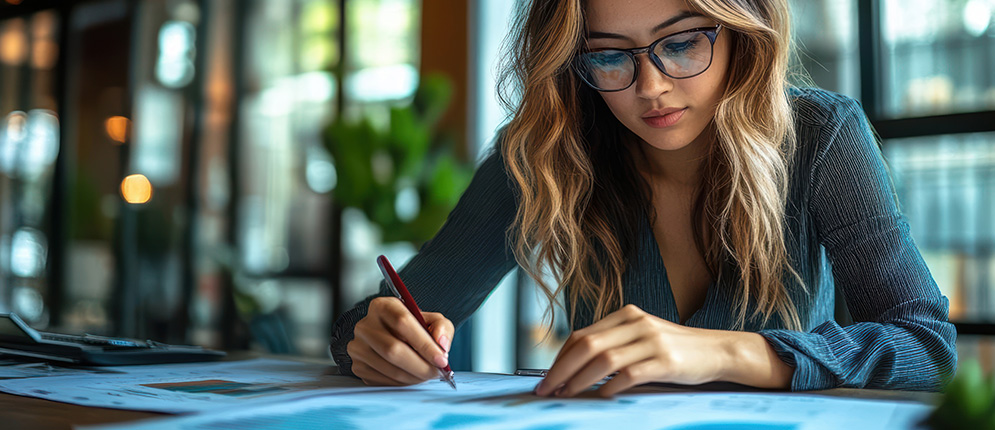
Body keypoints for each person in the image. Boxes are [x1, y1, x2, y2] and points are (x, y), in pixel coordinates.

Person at [331, 0, 958, 398]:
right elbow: (379, 318)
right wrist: (374, 338)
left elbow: (928, 346)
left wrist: (725, 352)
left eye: (682, 43)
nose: (651, 88)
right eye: (608, 57)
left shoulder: (822, 137)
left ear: (741, 29)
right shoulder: (548, 151)